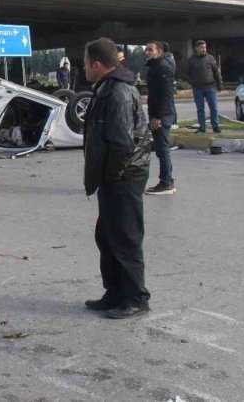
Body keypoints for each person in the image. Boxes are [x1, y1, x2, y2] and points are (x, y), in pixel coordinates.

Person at [82, 37, 151, 319]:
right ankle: (114, 293)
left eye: (86, 64)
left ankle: (136, 298)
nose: (84, 68)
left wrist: (112, 175)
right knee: (107, 236)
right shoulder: (107, 88)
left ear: (97, 65)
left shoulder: (118, 92)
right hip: (113, 176)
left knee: (125, 238)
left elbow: (122, 143)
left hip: (124, 175)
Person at [144, 41, 177, 195]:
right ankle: (168, 180)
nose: (147, 52)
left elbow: (165, 94)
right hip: (160, 113)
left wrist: (157, 116)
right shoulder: (156, 66)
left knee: (162, 149)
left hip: (162, 115)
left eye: (150, 49)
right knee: (161, 149)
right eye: (146, 50)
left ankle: (165, 183)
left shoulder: (162, 67)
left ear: (159, 51)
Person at [185, 40, 223, 134]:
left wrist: (219, 84)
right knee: (200, 109)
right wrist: (192, 81)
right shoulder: (191, 60)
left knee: (213, 107)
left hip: (210, 87)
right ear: (196, 48)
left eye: (205, 47)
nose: (204, 49)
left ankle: (215, 126)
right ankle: (202, 127)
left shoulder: (210, 58)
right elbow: (186, 73)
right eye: (202, 47)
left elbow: (216, 72)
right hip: (197, 88)